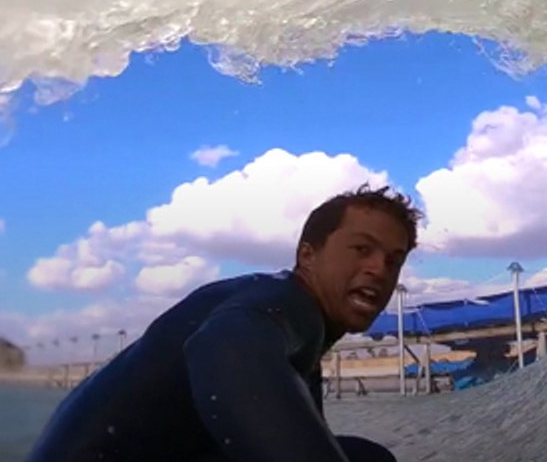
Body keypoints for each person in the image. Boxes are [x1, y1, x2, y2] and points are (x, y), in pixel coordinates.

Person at [25, 183, 421, 462]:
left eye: (393, 259)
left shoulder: (292, 332)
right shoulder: (285, 303)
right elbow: (224, 343)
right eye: (361, 249)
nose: (378, 269)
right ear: (308, 255)